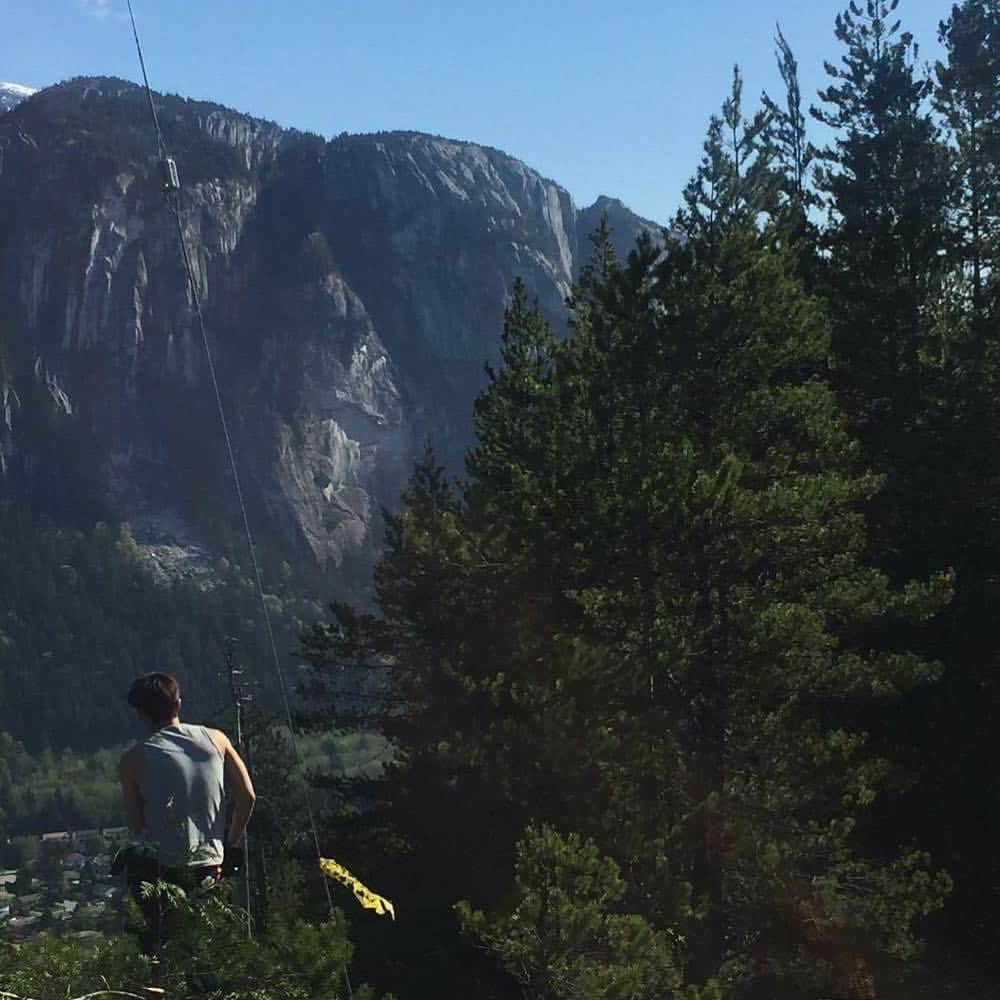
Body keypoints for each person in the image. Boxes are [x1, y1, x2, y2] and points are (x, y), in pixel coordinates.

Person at [117, 672, 256, 954]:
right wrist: (229, 843)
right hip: (211, 865)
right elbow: (247, 796)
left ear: (141, 714)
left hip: (163, 869)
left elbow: (136, 824)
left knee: (165, 951)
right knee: (213, 948)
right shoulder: (216, 739)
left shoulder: (133, 760)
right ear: (178, 703)